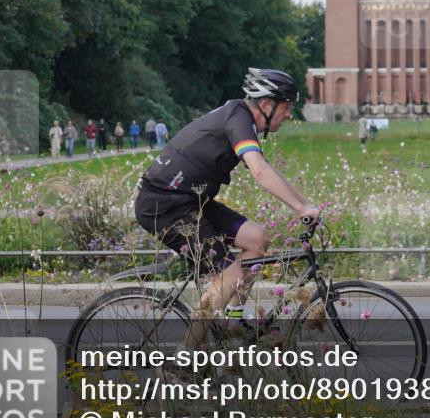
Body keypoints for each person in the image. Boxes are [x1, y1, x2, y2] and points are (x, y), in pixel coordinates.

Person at [133, 68, 320, 339]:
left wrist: (307, 204)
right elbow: (259, 171)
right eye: (287, 106)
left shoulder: (239, 116)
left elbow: (265, 168)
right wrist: (302, 209)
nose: (289, 114)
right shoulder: (239, 120)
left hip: (188, 199)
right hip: (163, 204)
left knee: (257, 240)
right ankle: (184, 361)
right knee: (229, 274)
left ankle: (234, 320)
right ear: (267, 105)